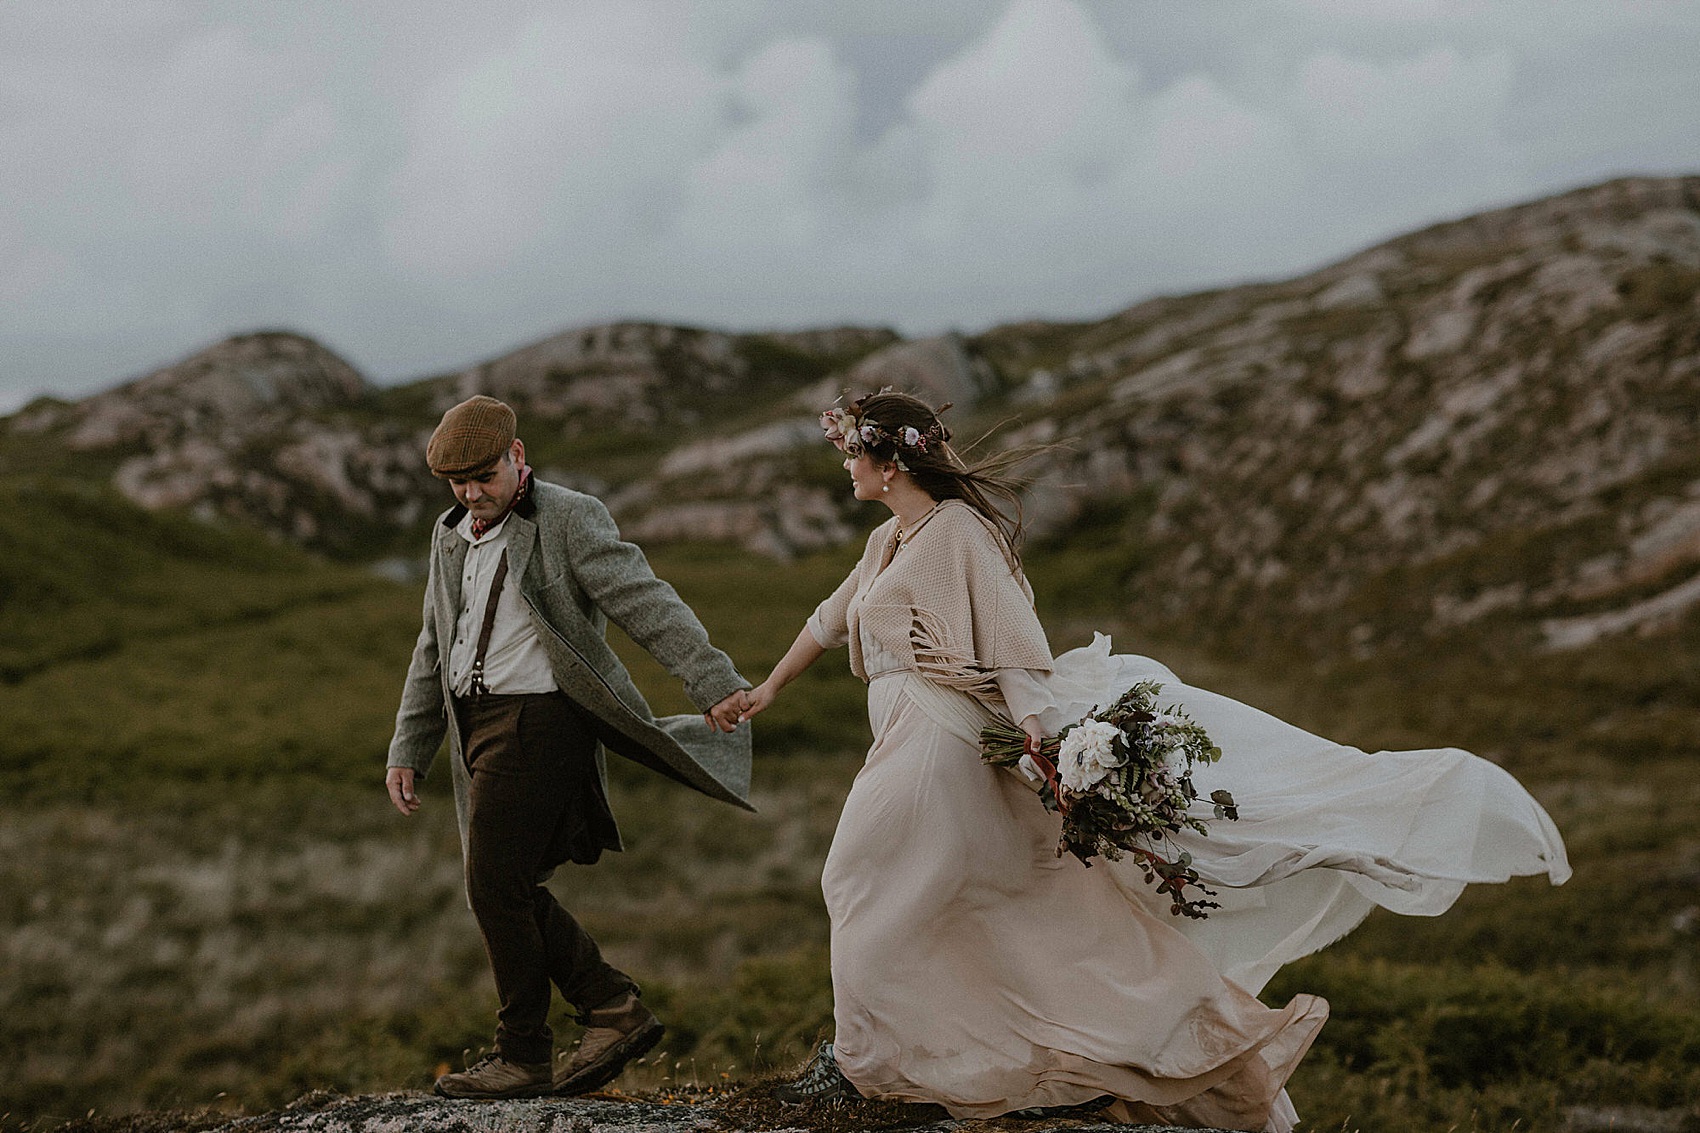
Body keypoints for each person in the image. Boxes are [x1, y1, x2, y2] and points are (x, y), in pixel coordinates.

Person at [737, 391, 1570, 1132]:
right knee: (996, 903)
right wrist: (764, 690)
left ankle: (872, 1065)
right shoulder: (890, 538)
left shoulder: (959, 533)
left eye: (851, 452)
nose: (844, 466)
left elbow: (1017, 652)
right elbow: (828, 619)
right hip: (900, 734)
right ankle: (937, 1058)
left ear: (888, 459)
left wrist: (1039, 731)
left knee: (856, 877)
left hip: (939, 738)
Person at [385, 394, 754, 1100]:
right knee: (507, 885)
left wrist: (712, 680)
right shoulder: (449, 534)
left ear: (517, 457)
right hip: (476, 725)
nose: (471, 493)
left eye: (483, 476)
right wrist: (411, 743)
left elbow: (645, 600)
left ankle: (525, 1052)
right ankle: (612, 1008)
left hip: (544, 720)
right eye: (457, 482)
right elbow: (433, 644)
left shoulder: (569, 516)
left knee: (493, 883)